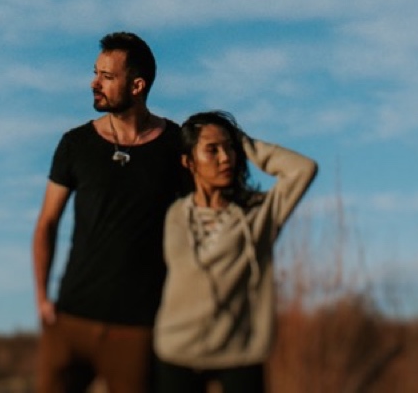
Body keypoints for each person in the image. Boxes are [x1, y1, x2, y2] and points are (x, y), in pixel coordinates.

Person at [33, 31, 191, 393]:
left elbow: (199, 223)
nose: (94, 83)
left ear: (137, 85)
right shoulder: (76, 144)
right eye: (95, 73)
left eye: (107, 76)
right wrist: (42, 298)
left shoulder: (175, 145)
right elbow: (47, 222)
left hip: (136, 328)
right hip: (70, 319)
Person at [152, 111, 318, 393]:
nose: (225, 158)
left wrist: (244, 142)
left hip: (240, 352)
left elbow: (303, 169)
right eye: (212, 150)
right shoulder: (174, 214)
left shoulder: (258, 212)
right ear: (188, 161)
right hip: (176, 350)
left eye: (229, 148)